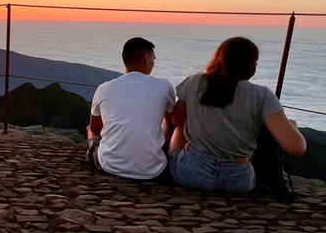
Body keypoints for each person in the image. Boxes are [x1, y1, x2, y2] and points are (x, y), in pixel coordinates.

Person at [168, 37, 306, 192]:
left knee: (180, 128)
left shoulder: (195, 81)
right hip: (238, 181)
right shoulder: (261, 95)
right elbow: (297, 148)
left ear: (218, 59)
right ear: (252, 65)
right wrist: (293, 127)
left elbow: (176, 119)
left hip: (190, 174)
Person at [86, 37, 176, 180]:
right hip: (153, 170)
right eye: (153, 58)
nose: (153, 63)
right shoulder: (164, 86)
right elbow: (171, 124)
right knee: (165, 126)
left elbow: (96, 129)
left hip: (109, 165)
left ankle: (109, 152)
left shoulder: (104, 88)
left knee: (89, 129)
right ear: (146, 58)